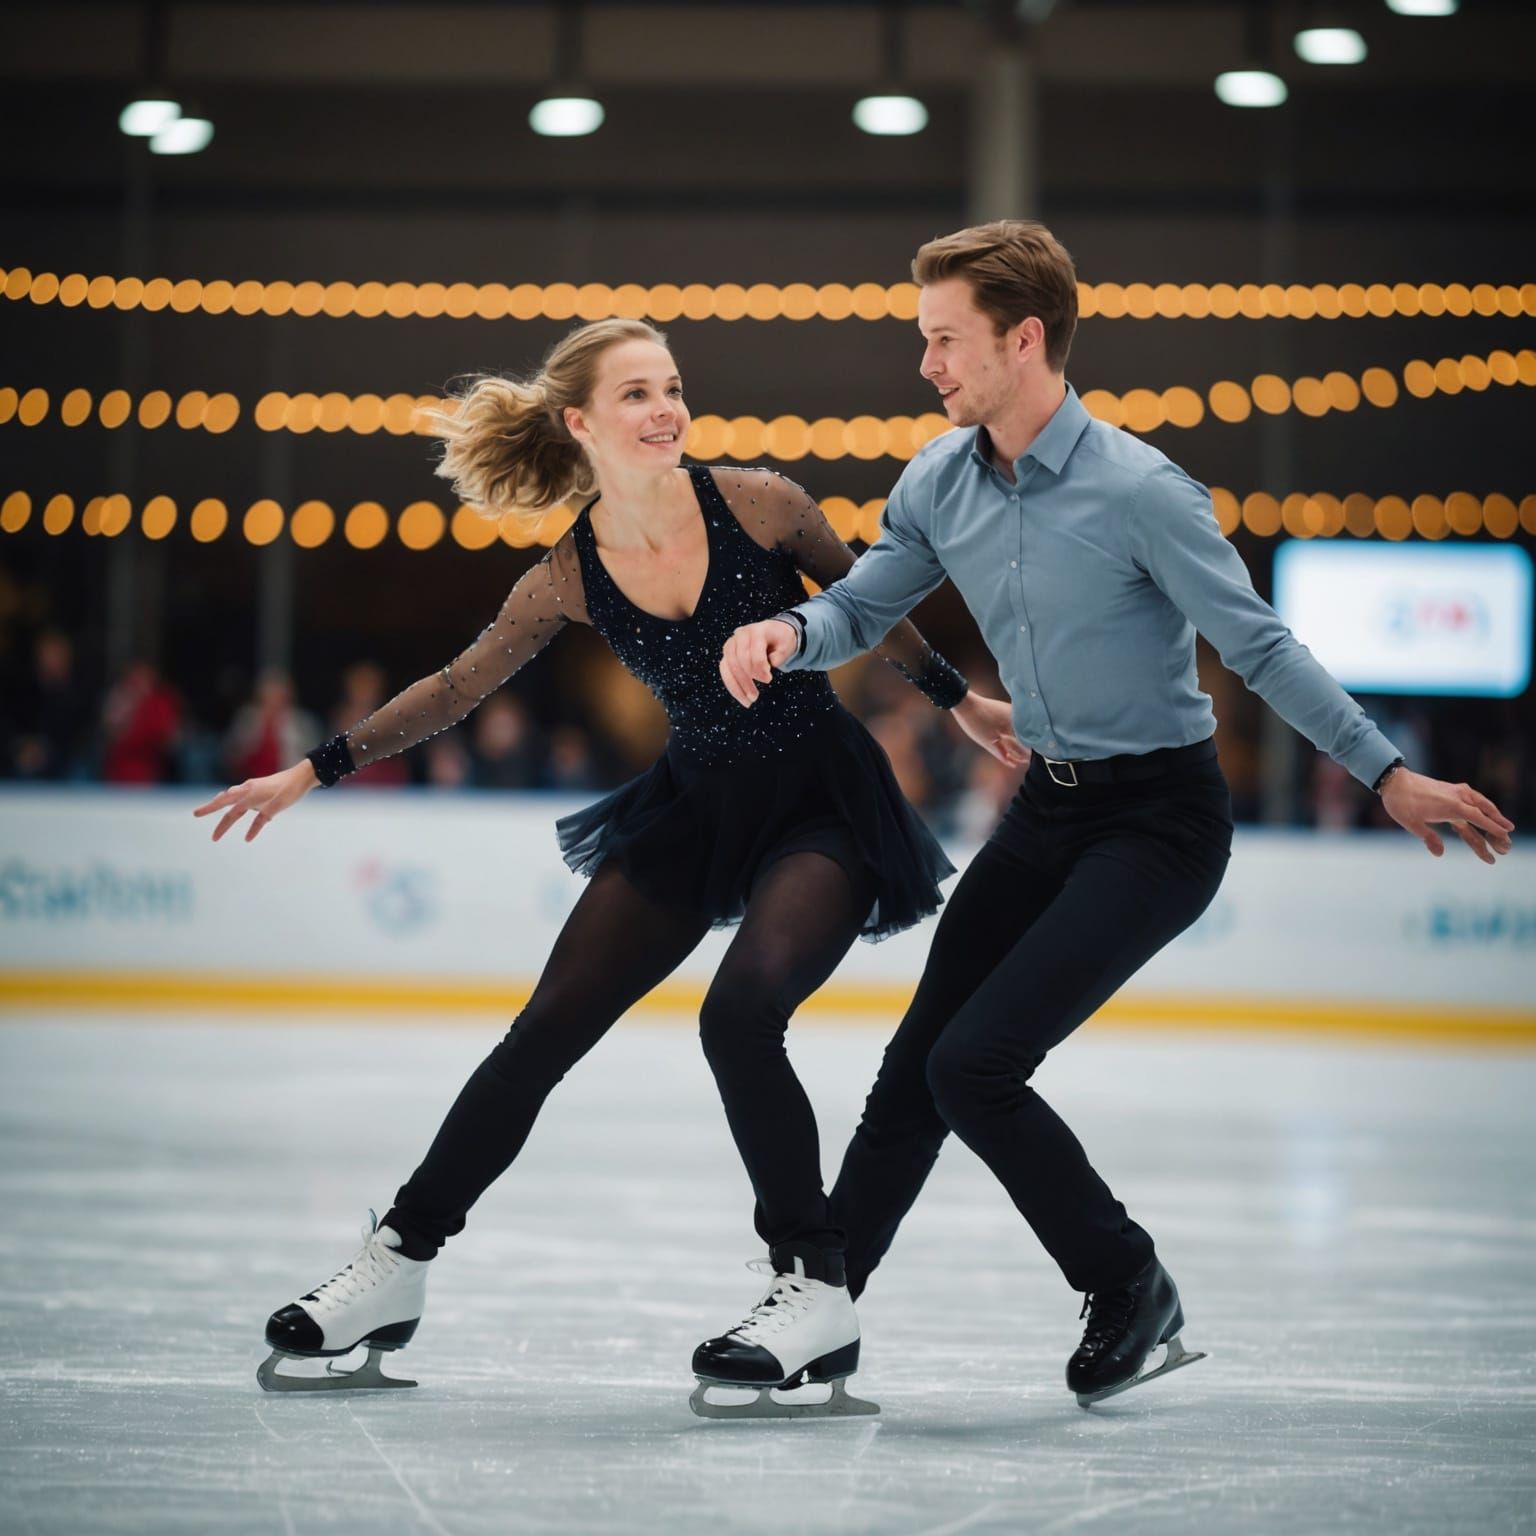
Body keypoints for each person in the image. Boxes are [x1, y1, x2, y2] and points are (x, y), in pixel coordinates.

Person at [720, 220, 1516, 1409]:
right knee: (913, 1068)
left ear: (1023, 339)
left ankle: (1126, 1280)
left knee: (975, 1065)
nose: (927, 365)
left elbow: (1259, 646)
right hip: (1047, 810)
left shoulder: (1144, 492)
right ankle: (825, 1308)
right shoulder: (939, 479)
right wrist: (793, 634)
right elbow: (869, 601)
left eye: (947, 341)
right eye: (924, 340)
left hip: (1160, 823)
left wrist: (1383, 770)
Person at [192, 317, 1026, 1413]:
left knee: (738, 1017)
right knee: (544, 1029)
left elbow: (870, 603)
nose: (666, 408)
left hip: (821, 802)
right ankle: (396, 1266)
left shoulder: (762, 503)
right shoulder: (567, 576)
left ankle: (815, 1285)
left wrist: (957, 702)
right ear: (580, 423)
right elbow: (454, 688)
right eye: (636, 394)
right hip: (692, 810)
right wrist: (315, 766)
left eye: (672, 386)